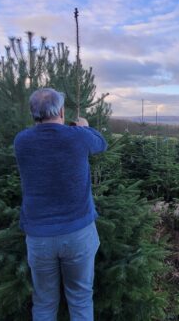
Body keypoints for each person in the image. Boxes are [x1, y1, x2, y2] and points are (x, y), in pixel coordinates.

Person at [14, 88, 107, 321]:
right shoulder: (78, 136)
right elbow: (101, 144)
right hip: (78, 233)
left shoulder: (22, 140)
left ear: (33, 112)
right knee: (81, 298)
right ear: (62, 111)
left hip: (39, 237)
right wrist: (84, 126)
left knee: (44, 302)